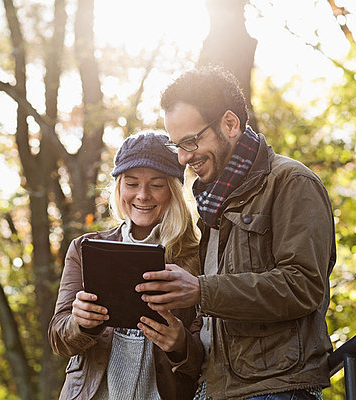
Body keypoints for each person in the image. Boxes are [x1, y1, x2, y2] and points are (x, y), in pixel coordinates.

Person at [135, 66, 337, 400]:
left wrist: (201, 290)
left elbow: (303, 285)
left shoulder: (290, 183)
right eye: (177, 146)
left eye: (191, 141)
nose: (184, 158)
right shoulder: (212, 203)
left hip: (274, 390)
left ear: (230, 124)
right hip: (217, 388)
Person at [48, 130, 204, 400]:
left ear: (174, 190)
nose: (142, 195)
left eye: (157, 185)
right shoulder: (84, 249)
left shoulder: (196, 257)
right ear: (119, 188)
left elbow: (210, 358)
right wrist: (81, 323)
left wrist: (181, 345)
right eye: (131, 183)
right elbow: (58, 337)